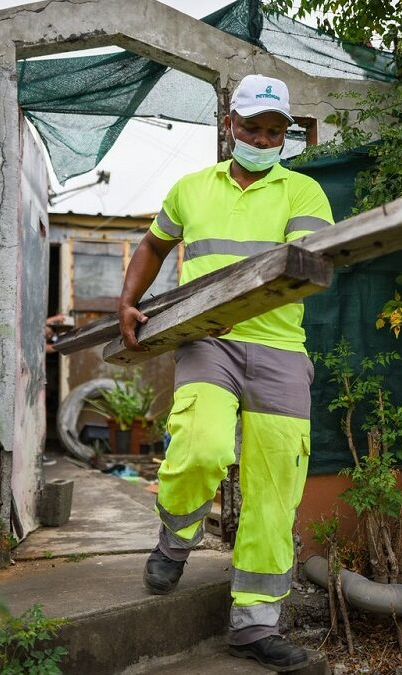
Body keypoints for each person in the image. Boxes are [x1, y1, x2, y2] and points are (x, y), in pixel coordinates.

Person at [119, 74, 333, 672]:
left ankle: (255, 624)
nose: (264, 141)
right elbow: (153, 246)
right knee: (202, 445)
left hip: (280, 351)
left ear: (286, 134)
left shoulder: (306, 192)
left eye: (275, 132)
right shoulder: (191, 189)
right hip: (207, 342)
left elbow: (296, 265)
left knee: (274, 490)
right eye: (253, 129)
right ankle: (175, 539)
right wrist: (128, 300)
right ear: (229, 127)